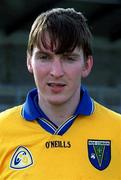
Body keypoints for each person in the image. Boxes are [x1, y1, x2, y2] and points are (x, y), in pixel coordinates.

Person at [0, 8, 121, 179]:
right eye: (44, 57)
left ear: (87, 64)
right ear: (29, 61)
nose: (56, 72)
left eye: (69, 58)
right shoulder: (2, 130)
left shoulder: (118, 131)